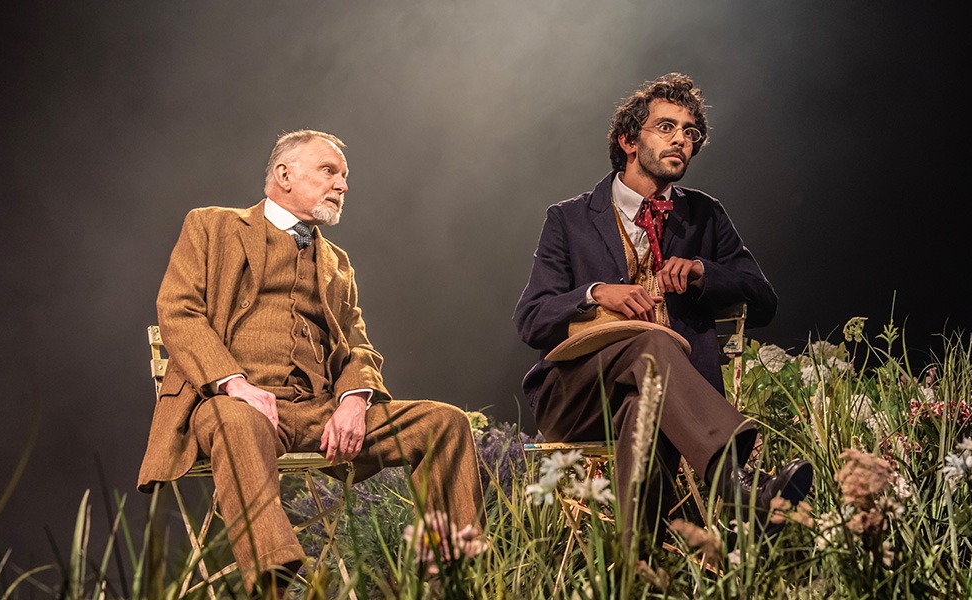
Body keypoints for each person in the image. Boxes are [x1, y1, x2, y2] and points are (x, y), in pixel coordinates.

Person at [137, 130, 484, 593]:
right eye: (329, 171)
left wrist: (354, 400)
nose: (342, 185)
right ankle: (275, 576)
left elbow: (359, 345)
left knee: (445, 423)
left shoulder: (336, 261)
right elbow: (179, 310)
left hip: (319, 413)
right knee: (237, 420)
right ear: (284, 174)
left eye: (344, 176)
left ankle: (450, 573)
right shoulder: (211, 226)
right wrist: (234, 383)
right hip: (232, 407)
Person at [513, 74, 811, 542]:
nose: (681, 140)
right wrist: (594, 293)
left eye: (690, 132)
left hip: (670, 400)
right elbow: (531, 320)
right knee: (650, 342)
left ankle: (636, 569)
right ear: (628, 140)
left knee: (644, 407)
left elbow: (763, 299)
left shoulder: (705, 216)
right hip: (578, 395)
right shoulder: (568, 220)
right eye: (666, 127)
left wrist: (701, 272)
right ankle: (734, 482)